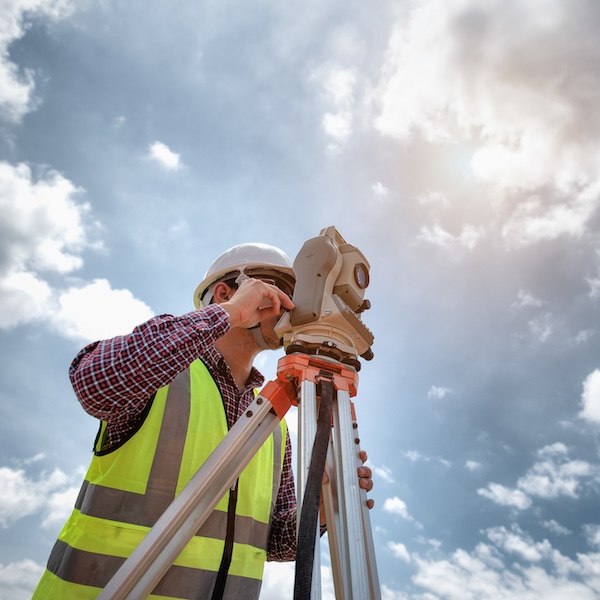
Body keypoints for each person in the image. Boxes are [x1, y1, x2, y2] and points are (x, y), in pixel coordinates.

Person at [33, 242, 374, 599]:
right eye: (278, 290)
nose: (292, 303)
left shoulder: (273, 423)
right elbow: (96, 383)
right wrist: (229, 313)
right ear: (225, 292)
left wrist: (321, 507)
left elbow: (275, 543)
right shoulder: (164, 374)